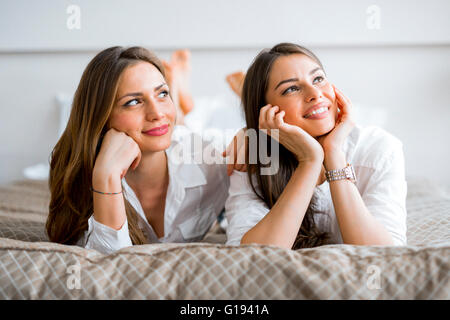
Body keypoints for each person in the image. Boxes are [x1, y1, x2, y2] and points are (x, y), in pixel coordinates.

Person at [46, 46, 230, 254]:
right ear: (102, 117)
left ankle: (181, 94)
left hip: (188, 141)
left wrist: (246, 137)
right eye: (133, 102)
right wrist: (106, 176)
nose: (157, 113)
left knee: (186, 128)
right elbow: (106, 265)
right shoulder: (78, 177)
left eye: (162, 93)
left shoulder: (211, 159)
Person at [224, 42, 407, 249]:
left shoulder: (379, 148)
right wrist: (310, 161)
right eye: (291, 88)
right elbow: (254, 255)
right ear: (266, 111)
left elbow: (383, 254)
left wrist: (333, 153)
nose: (315, 93)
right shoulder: (250, 154)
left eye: (318, 78)